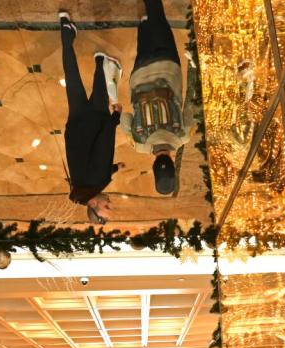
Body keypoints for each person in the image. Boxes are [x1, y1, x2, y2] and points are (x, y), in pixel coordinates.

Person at [119, 0, 198, 195]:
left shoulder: (184, 136)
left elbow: (191, 101)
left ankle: (150, 14)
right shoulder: (138, 144)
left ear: (172, 162)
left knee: (159, 19)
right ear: (154, 167)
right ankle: (144, 22)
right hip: (139, 76)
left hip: (168, 67)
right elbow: (125, 117)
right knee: (144, 44)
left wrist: (194, 66)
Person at [59, 11, 125, 222]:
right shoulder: (81, 190)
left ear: (94, 205)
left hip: (96, 123)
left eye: (106, 206)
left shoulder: (96, 182)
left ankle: (99, 62)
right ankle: (66, 31)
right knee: (72, 79)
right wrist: (114, 168)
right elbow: (91, 165)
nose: (110, 203)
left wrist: (115, 119)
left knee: (100, 93)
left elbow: (104, 144)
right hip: (76, 124)